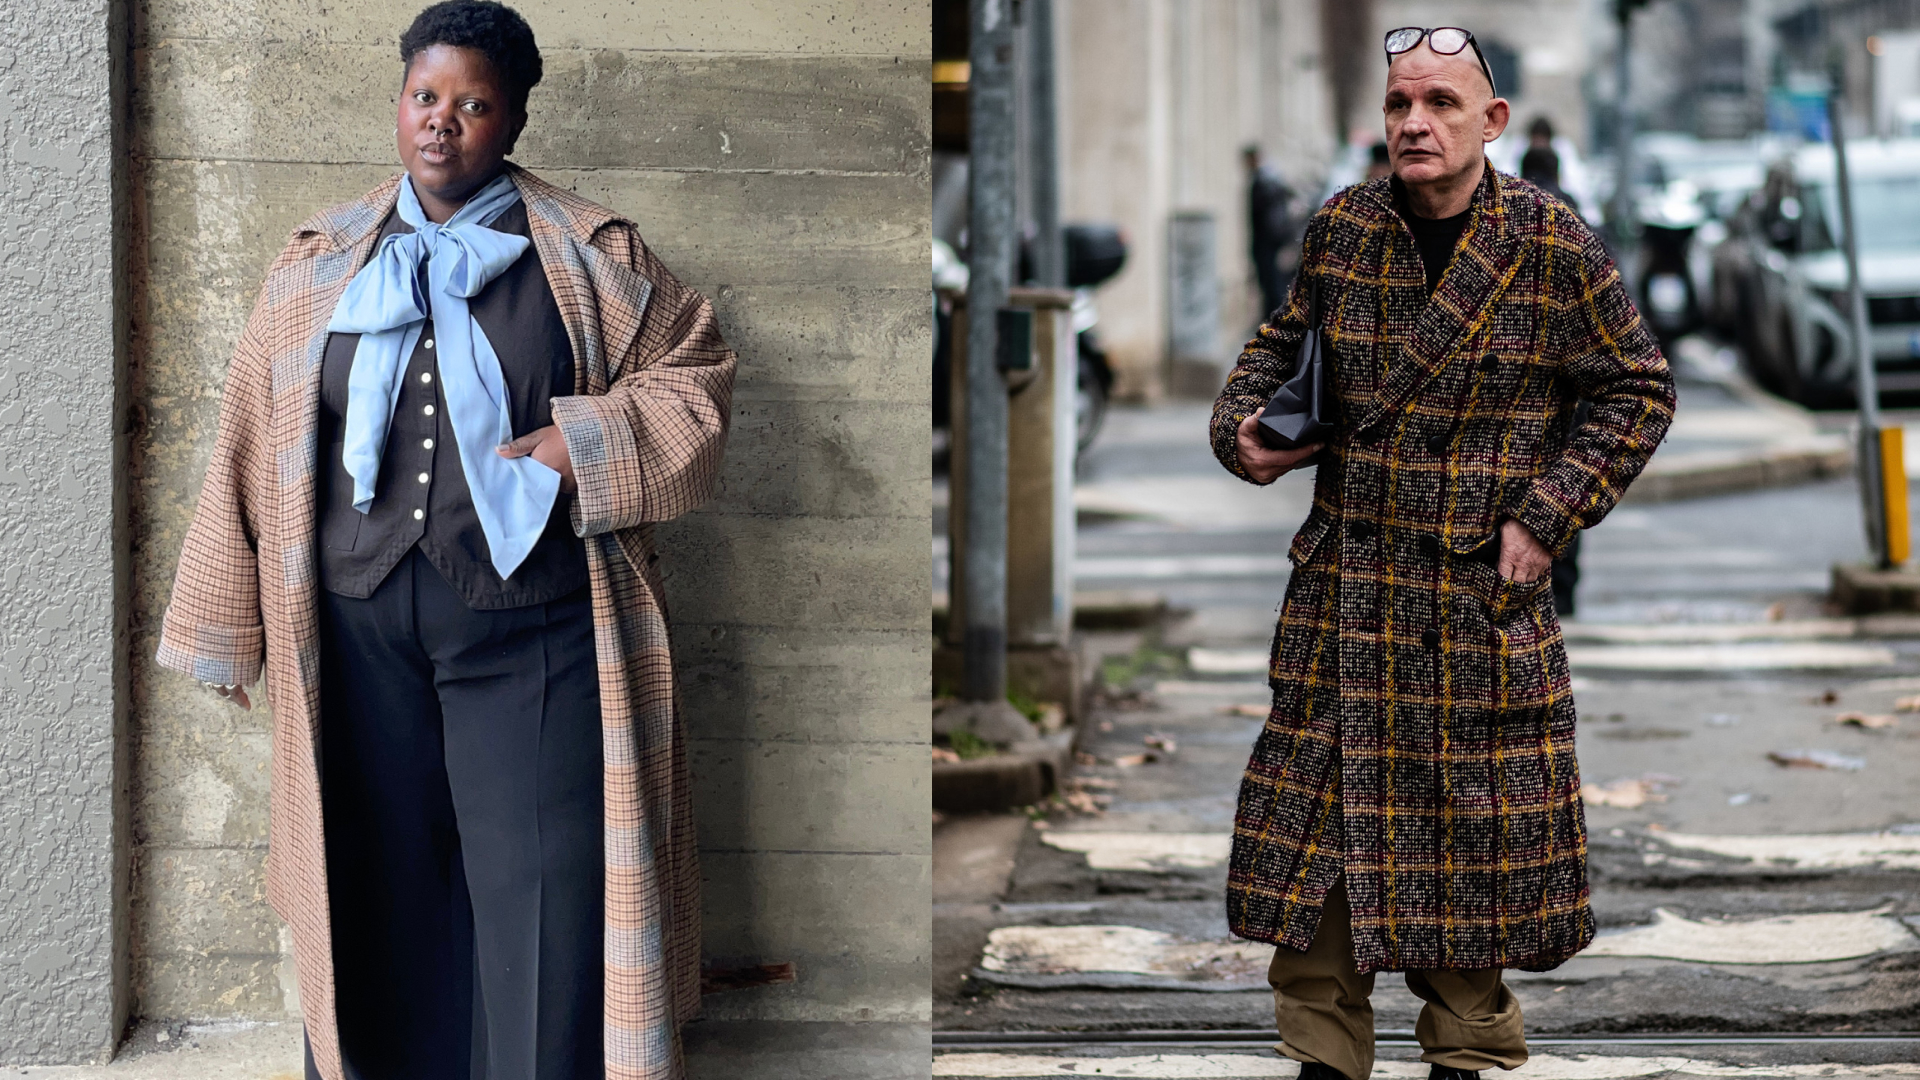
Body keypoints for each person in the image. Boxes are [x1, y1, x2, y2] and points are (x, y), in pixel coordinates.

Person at [152, 3, 736, 1078]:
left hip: (534, 631)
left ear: (511, 121)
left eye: (472, 105)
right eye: (426, 98)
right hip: (354, 632)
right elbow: (249, 431)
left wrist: (583, 440)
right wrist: (228, 622)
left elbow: (697, 384)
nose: (442, 123)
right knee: (374, 882)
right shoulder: (321, 261)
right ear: (399, 103)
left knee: (548, 894)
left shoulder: (592, 257)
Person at [1209, 25, 1674, 1080]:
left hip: (1472, 602)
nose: (1415, 123)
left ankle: (1465, 1053)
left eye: (1441, 104)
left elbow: (1636, 388)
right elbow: (1277, 350)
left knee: (1468, 863)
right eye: (1399, 105)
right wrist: (1243, 427)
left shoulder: (1551, 243)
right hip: (1347, 598)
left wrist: (1547, 514)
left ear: (1491, 121)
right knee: (1315, 861)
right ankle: (1322, 1059)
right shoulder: (1341, 230)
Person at [1245, 144, 1299, 319]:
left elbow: (1270, 217)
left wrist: (1277, 238)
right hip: (1269, 240)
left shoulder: (1265, 182)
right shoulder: (1268, 180)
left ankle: (1275, 321)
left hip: (1268, 241)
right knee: (1270, 283)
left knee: (1272, 284)